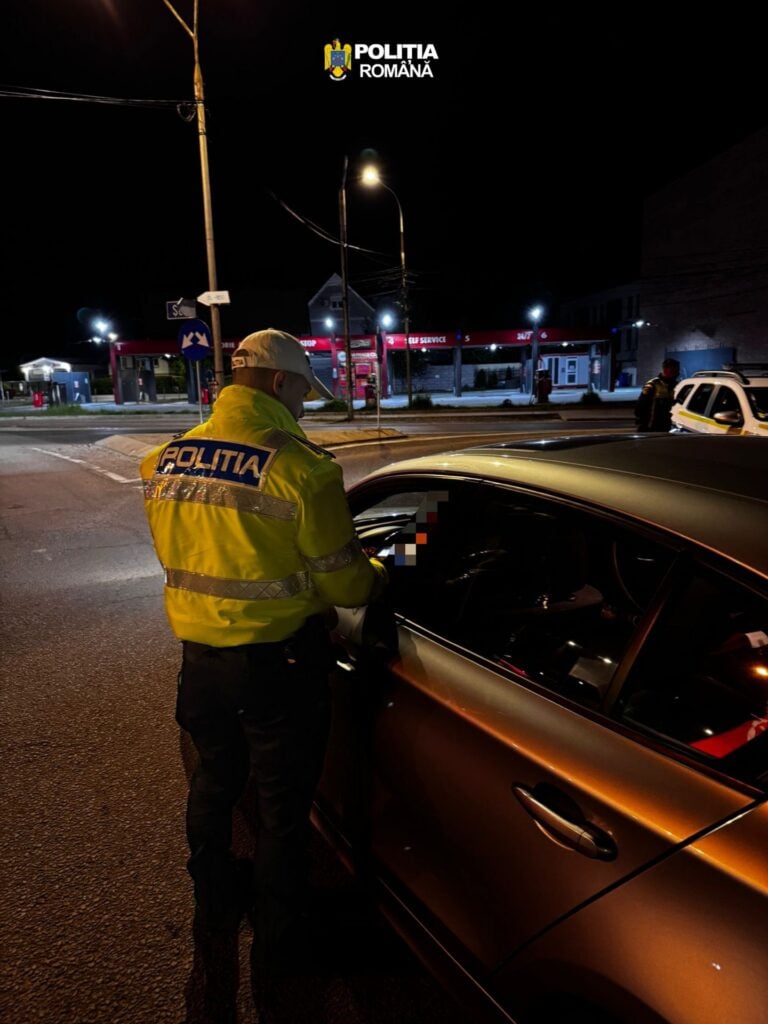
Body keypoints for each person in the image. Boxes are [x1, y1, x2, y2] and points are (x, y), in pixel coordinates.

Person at [140, 328, 386, 1016]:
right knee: (282, 809)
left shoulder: (163, 459)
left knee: (214, 784)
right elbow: (346, 589)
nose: (305, 404)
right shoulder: (303, 468)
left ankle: (214, 898)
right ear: (280, 384)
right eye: (304, 389)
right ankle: (281, 941)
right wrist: (379, 573)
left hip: (199, 663)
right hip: (279, 668)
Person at [635, 357, 680, 431]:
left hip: (666, 425)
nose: (677, 373)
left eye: (677, 370)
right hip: (650, 426)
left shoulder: (676, 385)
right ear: (665, 370)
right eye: (674, 371)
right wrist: (642, 422)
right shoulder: (653, 384)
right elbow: (641, 405)